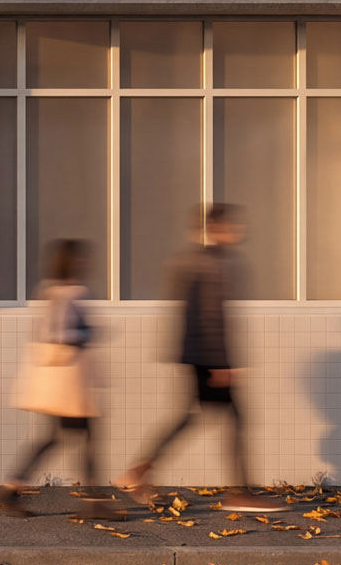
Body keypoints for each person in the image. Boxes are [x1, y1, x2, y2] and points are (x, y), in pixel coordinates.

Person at [119, 203, 283, 513]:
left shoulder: (196, 260)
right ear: (216, 229)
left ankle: (139, 471)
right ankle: (239, 492)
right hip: (208, 358)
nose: (238, 231)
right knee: (232, 421)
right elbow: (209, 316)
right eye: (232, 226)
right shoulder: (210, 263)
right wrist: (222, 364)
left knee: (192, 419)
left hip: (196, 355)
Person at [0, 239, 102, 514]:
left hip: (58, 382)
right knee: (84, 437)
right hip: (68, 382)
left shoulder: (50, 291)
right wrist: (89, 333)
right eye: (81, 260)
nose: (86, 264)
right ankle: (93, 500)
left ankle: (11, 489)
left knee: (57, 437)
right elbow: (59, 335)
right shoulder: (71, 293)